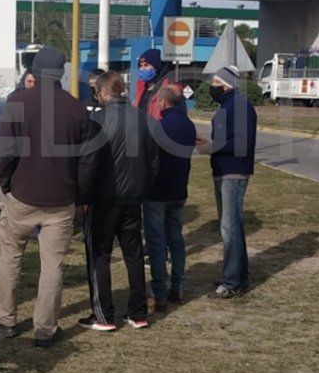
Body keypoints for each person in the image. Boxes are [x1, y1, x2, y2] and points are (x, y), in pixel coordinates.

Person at [0, 46, 96, 348]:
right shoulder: (77, 109)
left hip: (22, 195)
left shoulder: (18, 102)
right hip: (60, 199)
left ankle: (5, 319)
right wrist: (79, 194)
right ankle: (45, 329)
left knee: (11, 257)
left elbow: (5, 151)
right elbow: (87, 161)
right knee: (52, 265)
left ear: (33, 73)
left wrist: (6, 184)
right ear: (61, 74)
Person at [80, 70, 159, 332]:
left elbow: (89, 162)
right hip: (133, 196)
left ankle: (104, 314)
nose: (95, 96)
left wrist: (84, 195)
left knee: (99, 255)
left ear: (104, 92)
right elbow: (154, 161)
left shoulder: (98, 120)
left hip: (104, 197)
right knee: (133, 254)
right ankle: (138, 312)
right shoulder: (144, 119)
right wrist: (143, 188)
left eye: (97, 92)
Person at [196, 65, 257, 299]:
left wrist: (213, 147)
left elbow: (242, 143)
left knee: (230, 228)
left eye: (215, 82)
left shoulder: (239, 106)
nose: (212, 87)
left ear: (226, 85)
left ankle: (233, 282)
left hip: (233, 173)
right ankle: (237, 276)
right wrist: (208, 144)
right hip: (223, 171)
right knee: (230, 227)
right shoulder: (227, 106)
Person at [145, 85, 197, 311]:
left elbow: (152, 159)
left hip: (157, 192)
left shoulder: (159, 127)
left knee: (157, 243)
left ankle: (159, 292)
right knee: (176, 239)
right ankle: (178, 286)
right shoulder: (189, 125)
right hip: (179, 190)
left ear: (163, 103)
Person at [132, 49, 176, 120]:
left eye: (146, 65)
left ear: (156, 68)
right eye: (140, 66)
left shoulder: (166, 90)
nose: (142, 69)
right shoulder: (141, 89)